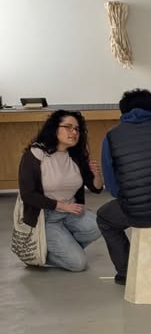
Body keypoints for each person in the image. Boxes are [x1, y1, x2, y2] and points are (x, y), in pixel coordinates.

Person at [96, 88, 151, 285]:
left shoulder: (112, 136)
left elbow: (111, 184)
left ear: (122, 112)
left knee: (104, 218)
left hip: (138, 212)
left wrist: (128, 197)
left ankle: (126, 273)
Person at [17, 110, 103, 271]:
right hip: (45, 216)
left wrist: (97, 175)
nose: (74, 132)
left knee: (100, 225)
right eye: (68, 127)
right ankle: (39, 254)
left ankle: (66, 247)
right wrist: (62, 206)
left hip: (71, 212)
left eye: (77, 129)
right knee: (78, 264)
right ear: (54, 128)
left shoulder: (75, 155)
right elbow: (28, 195)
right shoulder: (35, 154)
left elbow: (96, 188)